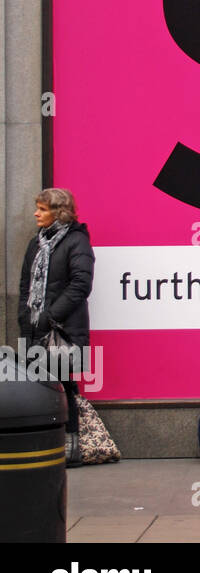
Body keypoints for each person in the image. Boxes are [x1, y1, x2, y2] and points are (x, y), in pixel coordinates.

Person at [18, 188, 94, 467]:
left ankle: (71, 448)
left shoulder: (77, 241)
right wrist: (26, 319)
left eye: (43, 209)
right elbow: (25, 286)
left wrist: (50, 316)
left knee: (65, 386)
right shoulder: (35, 244)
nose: (36, 213)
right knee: (41, 387)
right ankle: (47, 446)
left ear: (59, 211)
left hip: (62, 330)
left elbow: (80, 285)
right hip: (35, 328)